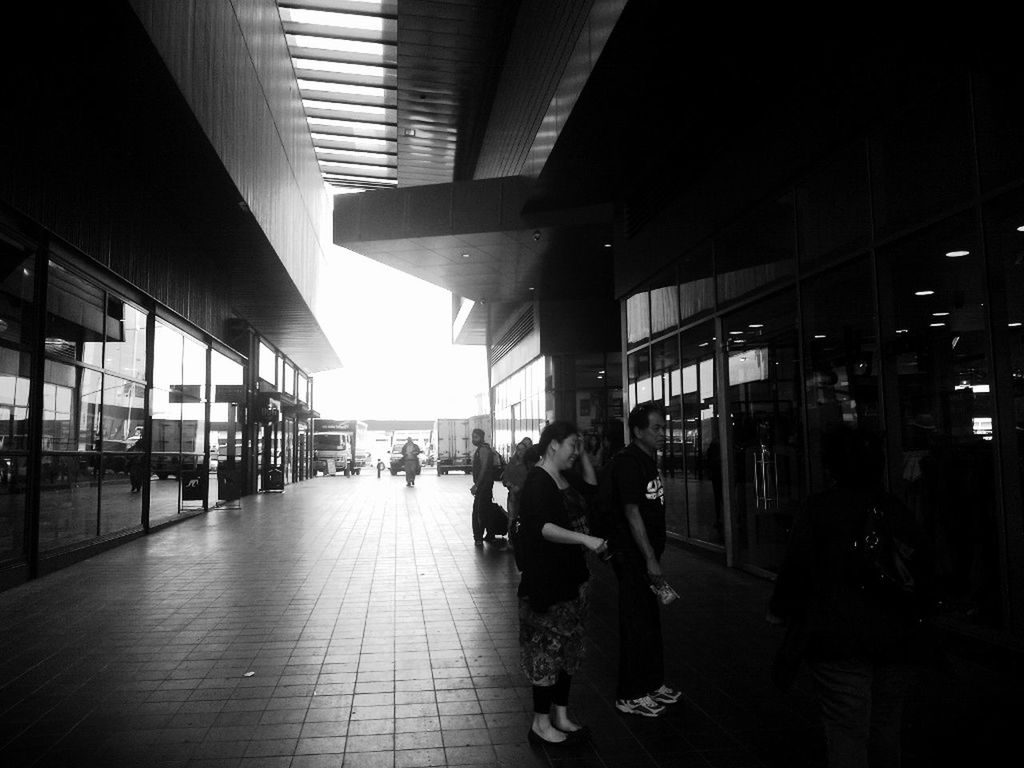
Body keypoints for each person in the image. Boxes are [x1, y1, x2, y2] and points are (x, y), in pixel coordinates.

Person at [767, 425, 931, 768]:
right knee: (886, 725)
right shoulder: (895, 510)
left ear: (832, 467)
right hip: (894, 637)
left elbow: (797, 569)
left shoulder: (819, 509)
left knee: (845, 728)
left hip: (836, 637)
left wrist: (781, 612)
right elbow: (923, 570)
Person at [516, 420, 608, 746]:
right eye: (572, 444)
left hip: (572, 581)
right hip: (547, 584)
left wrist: (582, 454)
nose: (576, 451)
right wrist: (585, 540)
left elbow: (592, 489)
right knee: (546, 652)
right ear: (553, 445)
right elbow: (542, 528)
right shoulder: (538, 482)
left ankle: (561, 714)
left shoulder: (562, 476)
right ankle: (541, 723)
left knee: (569, 651)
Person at [607, 402, 681, 717]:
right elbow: (632, 511)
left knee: (649, 621)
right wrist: (650, 558)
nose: (662, 433)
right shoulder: (628, 463)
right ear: (638, 431)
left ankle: (652, 684)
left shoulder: (648, 460)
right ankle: (630, 693)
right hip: (632, 555)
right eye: (656, 428)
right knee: (635, 622)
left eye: (663, 427)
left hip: (646, 555)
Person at [470, 427, 499, 544]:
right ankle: (490, 534)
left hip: (484, 485)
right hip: (486, 485)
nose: (473, 439)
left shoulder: (483, 450)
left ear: (481, 437)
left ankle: (478, 537)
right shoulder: (483, 449)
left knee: (478, 511)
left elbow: (483, 468)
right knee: (486, 509)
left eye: (476, 437)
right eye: (473, 437)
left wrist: (476, 485)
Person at [502, 437, 534, 527]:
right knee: (511, 518)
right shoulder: (512, 462)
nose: (521, 451)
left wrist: (519, 486)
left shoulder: (530, 463)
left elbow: (528, 478)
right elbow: (505, 475)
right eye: (519, 449)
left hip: (525, 496)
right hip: (512, 495)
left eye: (526, 447)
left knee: (524, 519)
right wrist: (508, 483)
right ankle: (512, 537)